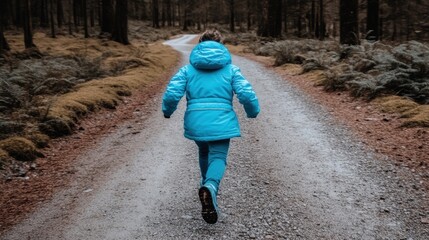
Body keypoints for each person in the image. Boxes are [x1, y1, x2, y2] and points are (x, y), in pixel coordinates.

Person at [162, 30, 260, 224]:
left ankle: (205, 185)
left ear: (199, 45)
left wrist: (167, 110)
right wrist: (252, 111)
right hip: (222, 122)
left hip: (196, 122)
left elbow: (172, 93)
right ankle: (211, 187)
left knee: (204, 152)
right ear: (221, 45)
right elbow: (246, 94)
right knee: (218, 156)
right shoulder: (231, 69)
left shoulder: (188, 70)